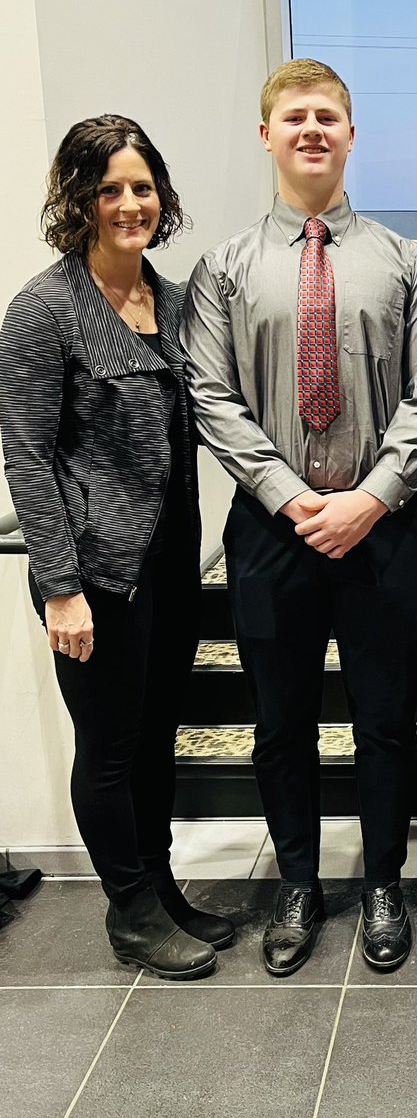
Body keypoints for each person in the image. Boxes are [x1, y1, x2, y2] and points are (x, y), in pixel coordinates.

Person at [181, 59, 417, 976]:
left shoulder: (404, 265)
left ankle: (383, 883)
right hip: (271, 531)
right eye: (293, 116)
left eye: (327, 116)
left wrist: (368, 498)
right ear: (266, 136)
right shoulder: (222, 268)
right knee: (279, 723)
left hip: (382, 529)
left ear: (349, 134)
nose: (311, 130)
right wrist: (294, 497)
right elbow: (211, 397)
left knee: (385, 720)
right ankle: (298, 880)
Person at [0, 115, 233, 980]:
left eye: (142, 187)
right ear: (80, 201)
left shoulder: (170, 302)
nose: (130, 204)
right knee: (108, 746)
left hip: (171, 563)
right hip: (93, 573)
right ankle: (129, 912)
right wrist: (59, 586)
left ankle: (162, 888)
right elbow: (24, 451)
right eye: (110, 190)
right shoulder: (44, 309)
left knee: (157, 737)